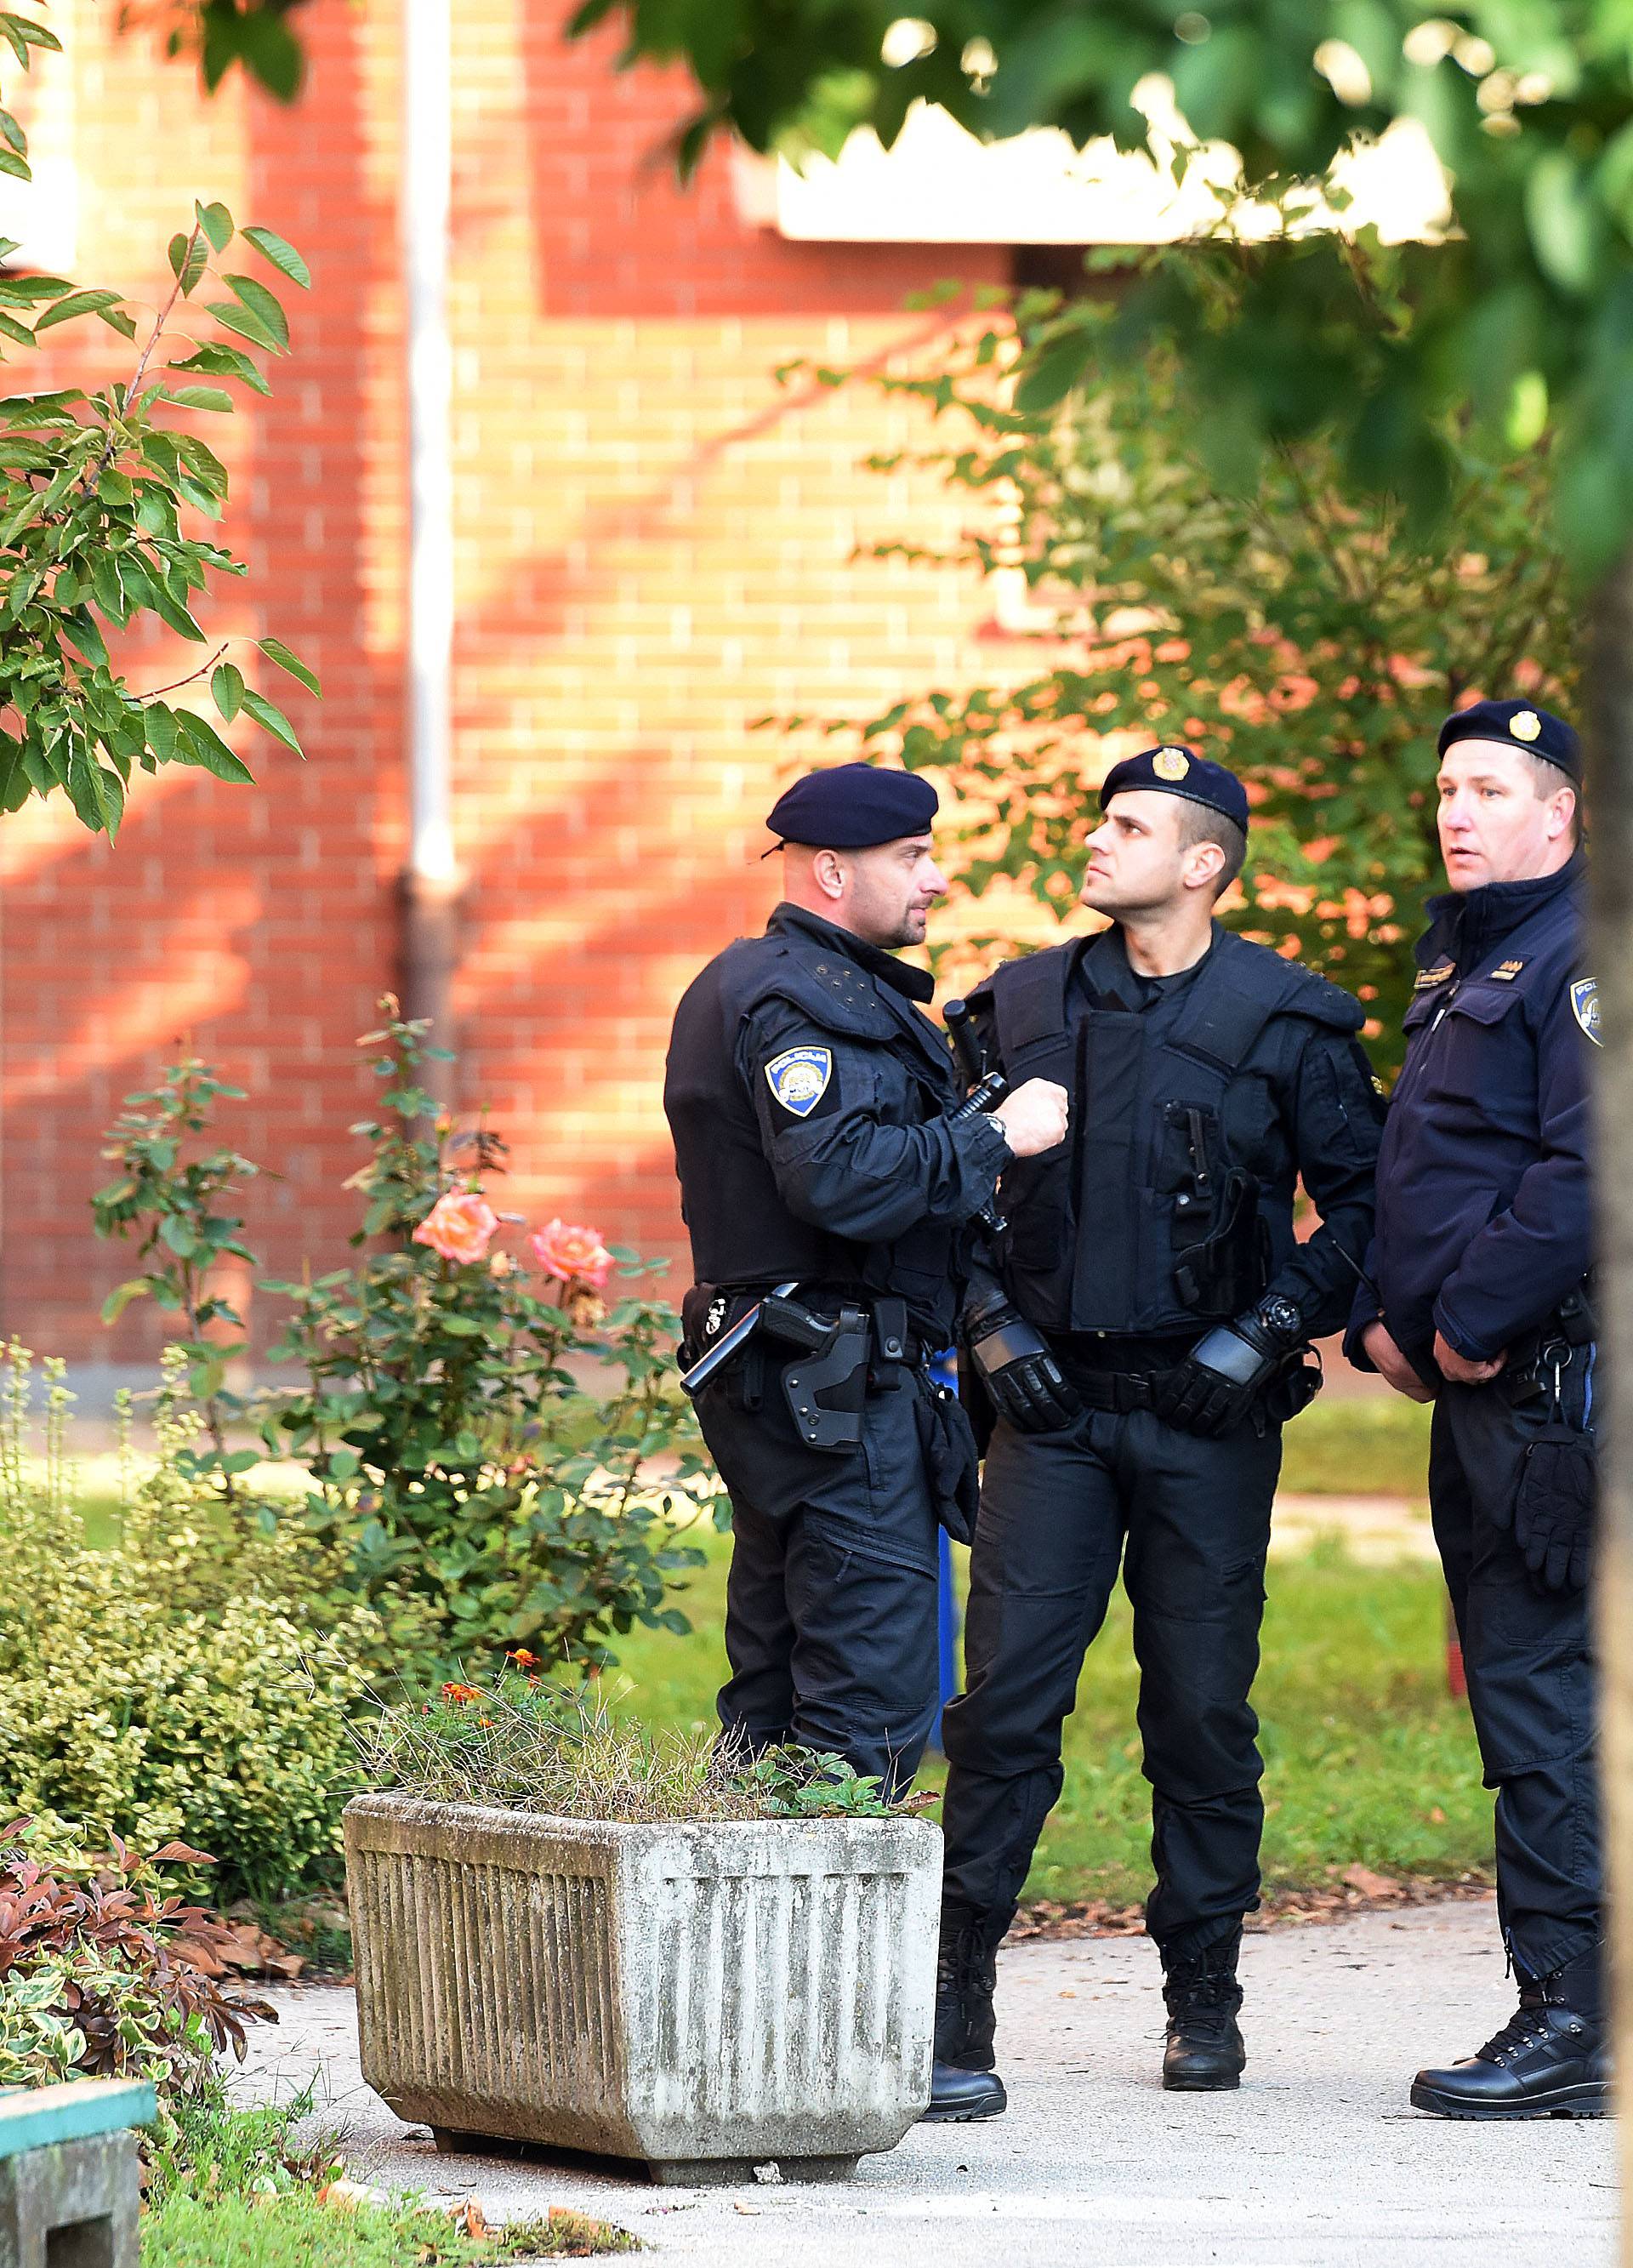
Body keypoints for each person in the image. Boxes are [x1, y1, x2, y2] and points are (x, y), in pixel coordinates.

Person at [927, 745, 1385, 2122]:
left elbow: (1365, 1207)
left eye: (1128, 826)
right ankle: (957, 2002)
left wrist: (1264, 1331)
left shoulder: (1290, 1019)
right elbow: (943, 1190)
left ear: (1202, 863)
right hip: (1050, 1417)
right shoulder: (1013, 1006)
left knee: (1198, 1713)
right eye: (1100, 820)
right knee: (1005, 1707)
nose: (1095, 841)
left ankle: (1205, 1997)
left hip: (1210, 1420)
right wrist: (995, 1337)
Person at [663, 761, 1069, 1801]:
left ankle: (737, 1952)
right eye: (914, 856)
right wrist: (992, 1136)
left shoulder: (794, 985)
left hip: (797, 1375)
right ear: (832, 871)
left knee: (774, 1683)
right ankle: (822, 1959)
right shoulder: (806, 998)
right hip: (831, 1385)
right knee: (864, 1701)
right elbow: (838, 1178)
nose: (936, 878)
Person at [1344, 698, 1602, 2120]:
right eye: (1445, 787)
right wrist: (1391, 1315)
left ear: (1557, 813)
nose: (1455, 811)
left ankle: (1573, 2019)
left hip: (1552, 1387)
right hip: (1494, 1387)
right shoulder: (1476, 956)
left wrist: (1464, 1322)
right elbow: (1430, 1164)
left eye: (1490, 788)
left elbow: (1581, 1174)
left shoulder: (1575, 958)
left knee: (1545, 1697)